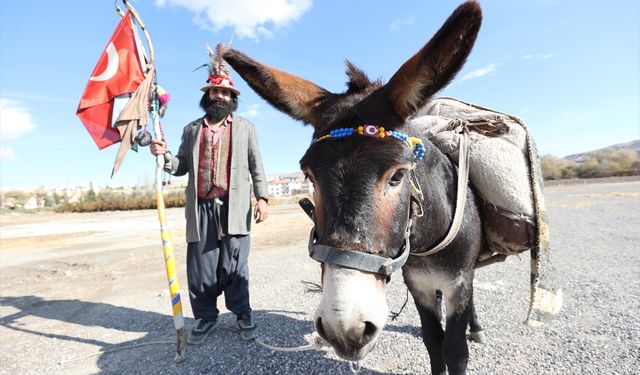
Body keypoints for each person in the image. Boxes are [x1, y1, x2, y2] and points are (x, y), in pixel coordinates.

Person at [150, 46, 269, 345]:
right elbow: (180, 167)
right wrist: (163, 156)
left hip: (236, 205)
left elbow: (257, 166)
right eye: (215, 92)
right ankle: (205, 317)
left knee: (235, 265)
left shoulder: (245, 128)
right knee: (201, 268)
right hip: (201, 207)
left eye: (225, 93)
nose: (220, 96)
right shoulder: (191, 130)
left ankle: (242, 314)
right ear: (207, 96)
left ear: (233, 99)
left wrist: (263, 198)